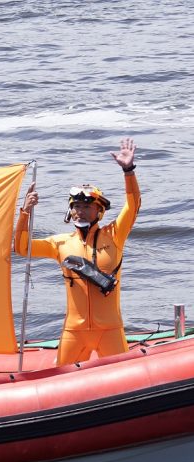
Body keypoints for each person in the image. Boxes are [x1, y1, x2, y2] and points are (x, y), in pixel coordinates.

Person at [14, 138, 141, 365]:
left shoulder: (114, 235)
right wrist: (25, 212)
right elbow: (22, 248)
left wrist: (128, 171)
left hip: (110, 329)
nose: (80, 211)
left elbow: (133, 206)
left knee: (123, 377)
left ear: (99, 211)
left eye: (87, 207)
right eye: (76, 207)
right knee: (60, 381)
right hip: (74, 330)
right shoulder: (60, 243)